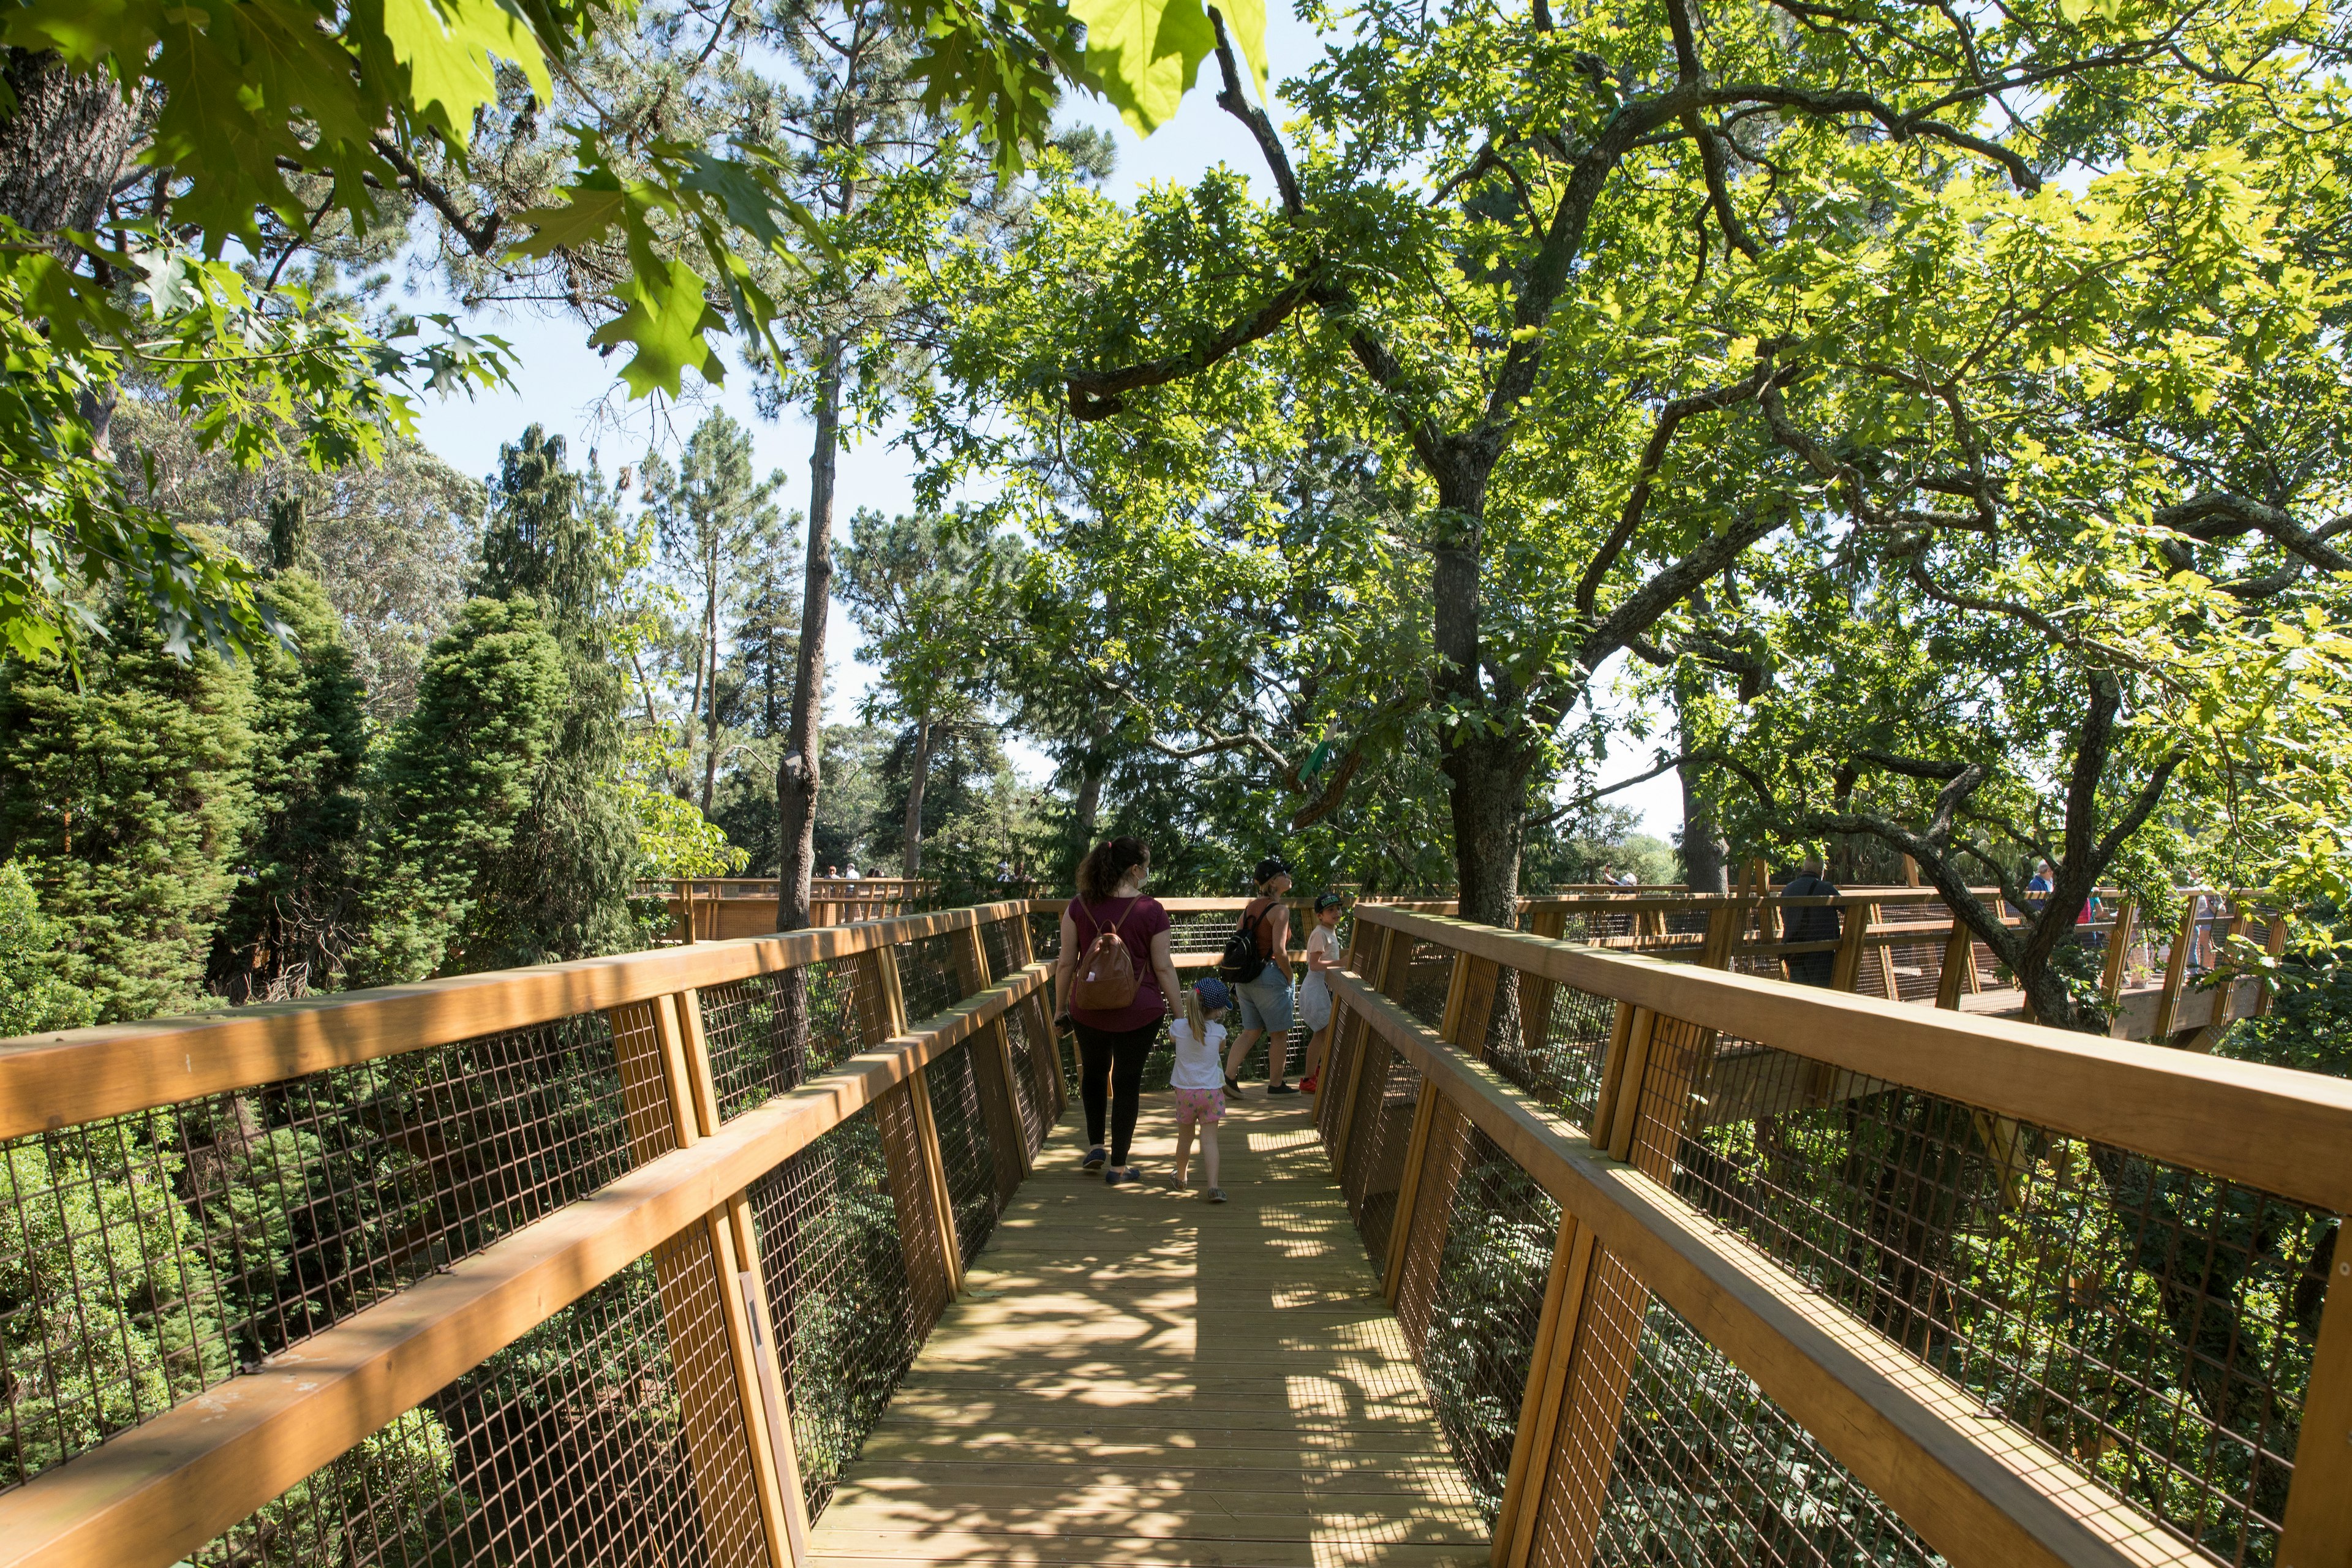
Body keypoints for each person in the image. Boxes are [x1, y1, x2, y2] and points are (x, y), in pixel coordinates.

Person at [1054, 836, 1180, 1186]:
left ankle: (1095, 1145)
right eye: (1146, 865)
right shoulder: (1152, 910)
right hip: (1140, 1010)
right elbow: (1164, 967)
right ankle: (1119, 1166)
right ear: (1135, 869)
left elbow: (1066, 965)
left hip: (1088, 1009)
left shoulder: (1078, 906)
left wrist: (1061, 1007)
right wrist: (1180, 1013)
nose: (1148, 872)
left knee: (1093, 1074)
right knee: (1127, 1082)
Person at [1222, 857, 1298, 1097]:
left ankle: (1229, 1077)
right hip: (1270, 977)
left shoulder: (1249, 909)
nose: (1288, 876)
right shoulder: (1280, 911)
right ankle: (1276, 1085)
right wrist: (1289, 975)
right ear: (1274, 883)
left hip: (1245, 981)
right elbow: (1279, 951)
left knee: (1251, 1031)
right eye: (1284, 873)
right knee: (1279, 1034)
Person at [1169, 977, 1232, 1203]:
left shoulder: (1177, 1028)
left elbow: (1173, 1037)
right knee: (1210, 1141)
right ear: (1216, 1011)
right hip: (1211, 1093)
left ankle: (1182, 1178)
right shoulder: (1219, 1032)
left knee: (1185, 1139)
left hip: (1185, 1093)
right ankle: (1213, 1187)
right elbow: (1221, 1049)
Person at [1296, 893, 1346, 1094]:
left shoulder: (1330, 931)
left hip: (1323, 989)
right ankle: (1308, 1079)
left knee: (1324, 1032)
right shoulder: (1320, 933)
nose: (1336, 913)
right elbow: (1315, 965)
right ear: (1320, 915)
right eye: (1330, 910)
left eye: (1338, 909)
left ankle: (1316, 1072)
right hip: (1315, 989)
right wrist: (1341, 963)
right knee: (1322, 1033)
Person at [1779, 855, 1841, 987]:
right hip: (1821, 953)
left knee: (1800, 995)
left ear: (1803, 868)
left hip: (1794, 951)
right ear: (1821, 871)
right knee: (1822, 993)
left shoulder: (1788, 889)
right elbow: (1848, 907)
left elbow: (1784, 914)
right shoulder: (1825, 888)